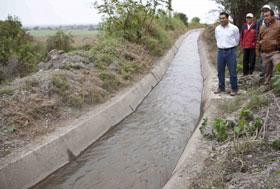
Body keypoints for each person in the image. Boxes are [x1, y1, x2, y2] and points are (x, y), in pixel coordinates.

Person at [214, 12, 240, 96]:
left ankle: (234, 89)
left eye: (223, 18)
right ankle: (221, 87)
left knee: (232, 71)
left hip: (231, 52)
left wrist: (231, 47)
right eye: (220, 18)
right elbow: (217, 39)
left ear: (227, 18)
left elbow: (237, 40)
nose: (222, 20)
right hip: (220, 52)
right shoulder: (217, 28)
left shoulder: (234, 28)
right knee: (220, 71)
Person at [256, 9, 280, 87]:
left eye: (267, 16)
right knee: (266, 73)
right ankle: (267, 86)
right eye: (264, 16)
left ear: (272, 16)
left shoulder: (279, 24)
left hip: (275, 52)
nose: (265, 17)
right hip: (264, 53)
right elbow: (259, 40)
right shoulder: (262, 27)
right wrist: (257, 51)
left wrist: (276, 42)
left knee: (277, 68)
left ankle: (277, 88)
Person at [256, 5, 272, 78]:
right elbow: (257, 32)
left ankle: (271, 74)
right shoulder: (259, 21)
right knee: (262, 57)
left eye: (267, 9)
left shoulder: (276, 20)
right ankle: (263, 72)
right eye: (264, 10)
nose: (265, 11)